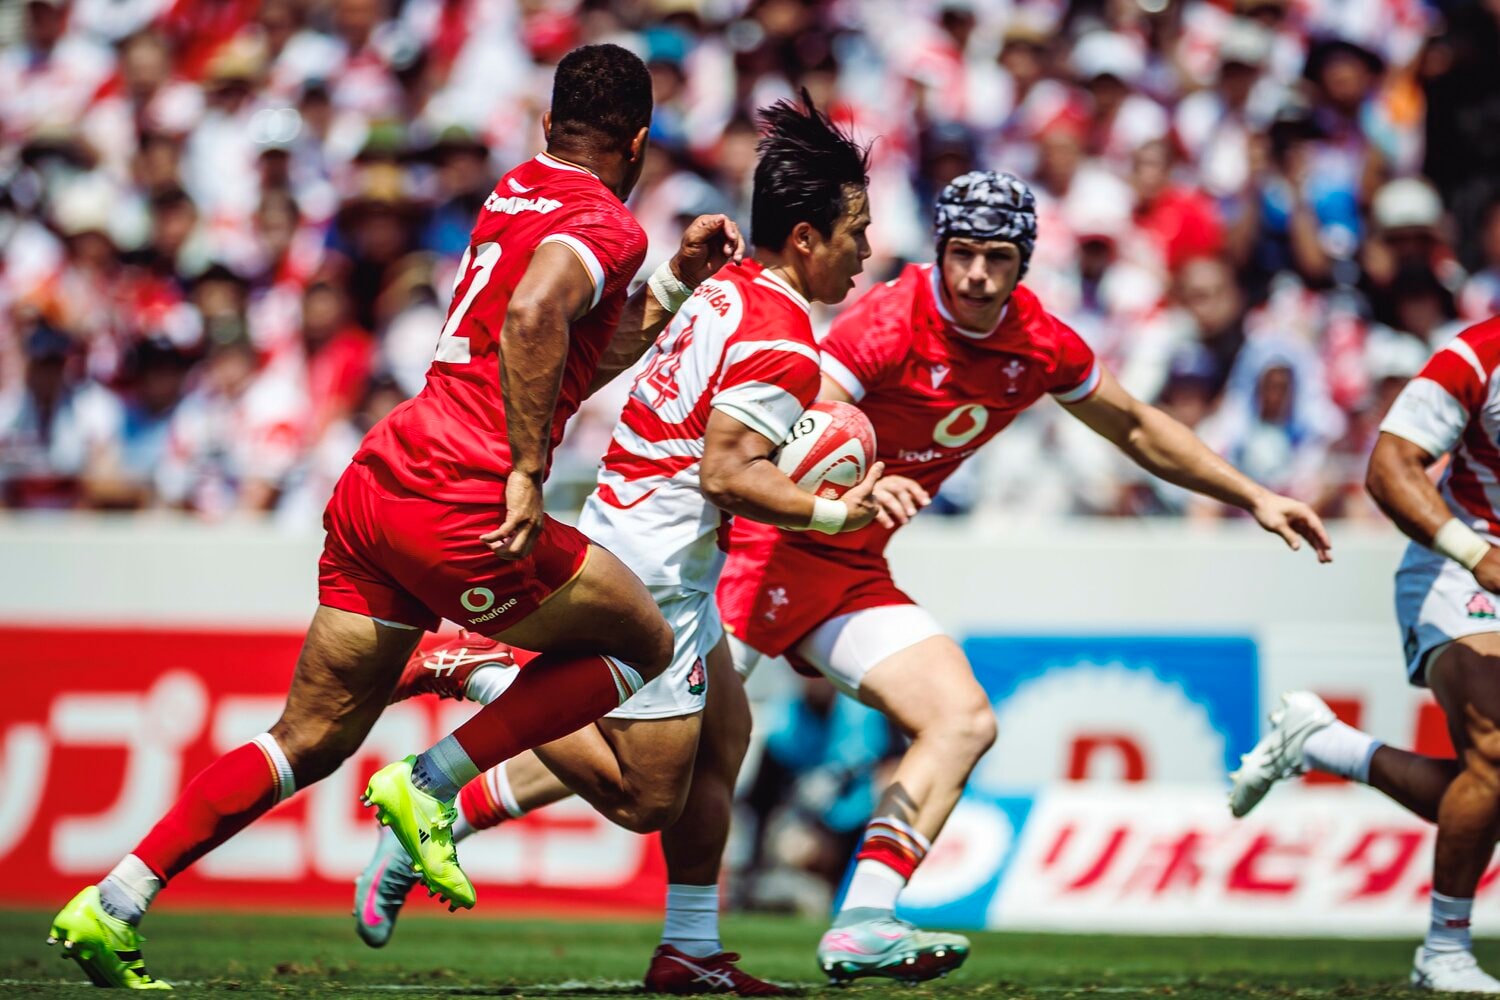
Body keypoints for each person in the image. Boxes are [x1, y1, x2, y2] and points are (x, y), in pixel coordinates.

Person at [359, 170, 1332, 990]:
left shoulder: (1036, 339)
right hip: (764, 553)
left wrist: (1254, 494)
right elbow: (797, 424)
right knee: (657, 768)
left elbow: (1135, 425)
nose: (979, 272)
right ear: (941, 249)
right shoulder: (884, 321)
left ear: (1024, 264)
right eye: (963, 252)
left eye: (999, 258)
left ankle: (857, 918)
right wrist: (858, 483)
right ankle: (480, 707)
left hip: (850, 567)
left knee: (959, 721)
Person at [46, 42, 744, 990]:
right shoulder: (604, 222)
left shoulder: (514, 192)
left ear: (547, 129)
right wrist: (531, 469)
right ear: (639, 141)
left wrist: (668, 289)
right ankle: (433, 779)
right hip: (466, 493)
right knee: (647, 640)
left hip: (382, 479)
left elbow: (562, 349)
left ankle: (117, 898)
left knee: (309, 738)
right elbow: (539, 317)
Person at [356, 94, 881, 997]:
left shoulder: (730, 287)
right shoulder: (786, 338)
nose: (866, 251)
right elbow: (727, 474)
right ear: (804, 238)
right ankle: (475, 673)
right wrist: (834, 513)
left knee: (726, 737)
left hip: (640, 526)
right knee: (646, 797)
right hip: (659, 567)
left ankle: (690, 950)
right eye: (856, 232)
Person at [1231, 316, 1500, 993]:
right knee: (1497, 753)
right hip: (1463, 571)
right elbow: (1389, 467)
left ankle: (1326, 743)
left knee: (1491, 787)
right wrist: (1477, 555)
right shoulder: (1479, 352)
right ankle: (1444, 950)